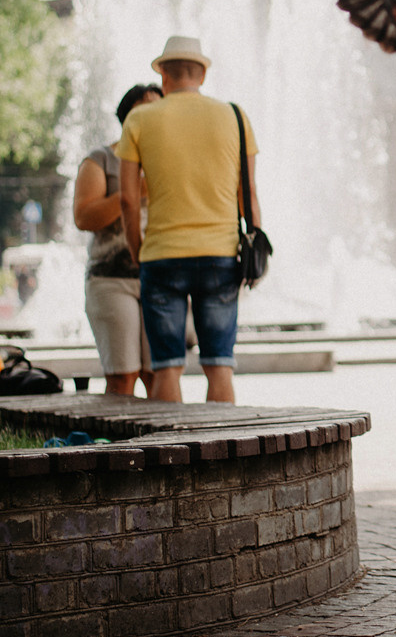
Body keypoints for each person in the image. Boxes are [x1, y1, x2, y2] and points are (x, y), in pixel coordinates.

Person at [118, 37, 260, 405]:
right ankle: (224, 454)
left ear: (163, 74)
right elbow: (249, 194)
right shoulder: (234, 116)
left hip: (161, 255)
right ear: (202, 74)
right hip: (221, 254)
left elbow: (128, 199)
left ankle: (174, 459)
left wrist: (137, 250)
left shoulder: (139, 118)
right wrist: (255, 243)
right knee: (219, 365)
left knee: (166, 367)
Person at [76, 83, 162, 396]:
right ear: (127, 117)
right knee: (122, 378)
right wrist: (133, 190)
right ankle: (118, 445)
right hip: (111, 279)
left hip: (159, 278)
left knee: (160, 376)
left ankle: (164, 445)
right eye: (145, 108)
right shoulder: (100, 160)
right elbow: (84, 217)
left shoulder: (167, 160)